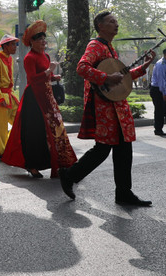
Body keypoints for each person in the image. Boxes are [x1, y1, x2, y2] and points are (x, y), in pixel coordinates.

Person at [59, 11, 153, 206]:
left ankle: (124, 193)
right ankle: (69, 175)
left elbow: (121, 78)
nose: (116, 25)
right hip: (104, 108)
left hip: (117, 106)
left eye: (116, 21)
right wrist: (106, 78)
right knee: (103, 149)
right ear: (100, 26)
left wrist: (142, 68)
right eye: (111, 22)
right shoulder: (95, 45)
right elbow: (81, 68)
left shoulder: (110, 48)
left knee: (123, 149)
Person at [1, 21, 76, 179]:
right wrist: (49, 71)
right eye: (39, 39)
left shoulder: (46, 56)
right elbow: (33, 79)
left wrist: (54, 76)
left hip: (47, 96)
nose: (43, 41)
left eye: (44, 39)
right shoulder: (29, 58)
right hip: (34, 98)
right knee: (34, 132)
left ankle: (61, 162)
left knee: (55, 128)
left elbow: (46, 76)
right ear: (32, 42)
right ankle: (32, 165)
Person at [0, 34, 19, 159]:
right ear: (5, 46)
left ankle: (9, 145)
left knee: (19, 121)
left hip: (10, 95)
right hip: (1, 97)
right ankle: (1, 153)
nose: (15, 47)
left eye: (15, 44)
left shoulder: (10, 59)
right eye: (12, 44)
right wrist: (0, 97)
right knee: (0, 127)